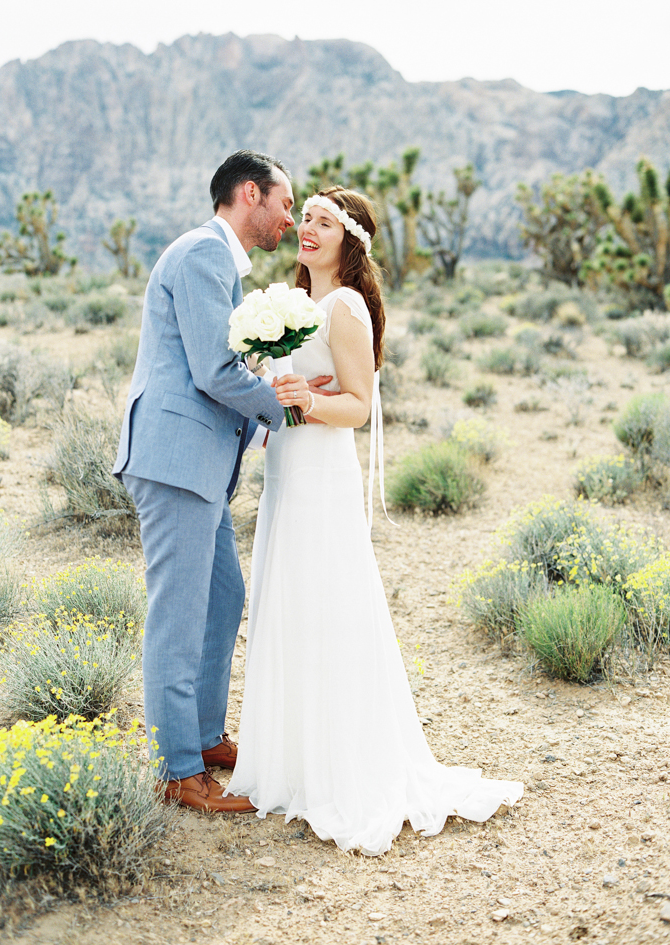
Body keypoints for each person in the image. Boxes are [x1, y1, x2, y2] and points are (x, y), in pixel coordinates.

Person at [225, 186, 524, 854]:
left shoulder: (346, 306)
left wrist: (301, 402)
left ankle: (339, 766)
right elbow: (288, 395)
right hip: (287, 475)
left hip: (322, 479)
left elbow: (357, 405)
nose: (307, 229)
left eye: (323, 222)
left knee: (327, 606)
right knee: (291, 604)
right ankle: (290, 762)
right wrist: (275, 401)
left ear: (350, 239)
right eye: (304, 218)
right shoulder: (297, 306)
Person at [113, 150, 313, 813]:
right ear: (250, 194)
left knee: (222, 600)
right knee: (177, 616)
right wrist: (282, 408)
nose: (290, 217)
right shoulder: (202, 255)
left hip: (196, 467)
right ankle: (177, 771)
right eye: (285, 203)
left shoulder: (218, 262)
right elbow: (213, 370)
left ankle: (200, 735)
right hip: (175, 463)